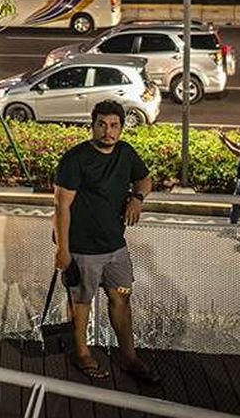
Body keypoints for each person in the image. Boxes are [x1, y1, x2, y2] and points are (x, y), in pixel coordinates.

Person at [52, 99, 159, 383]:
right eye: (101, 124)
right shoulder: (75, 159)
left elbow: (145, 179)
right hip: (82, 247)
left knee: (121, 297)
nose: (107, 131)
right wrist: (63, 250)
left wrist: (137, 198)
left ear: (122, 128)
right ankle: (82, 354)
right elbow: (61, 206)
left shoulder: (125, 153)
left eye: (114, 125)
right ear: (92, 126)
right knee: (81, 302)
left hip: (116, 246)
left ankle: (128, 357)